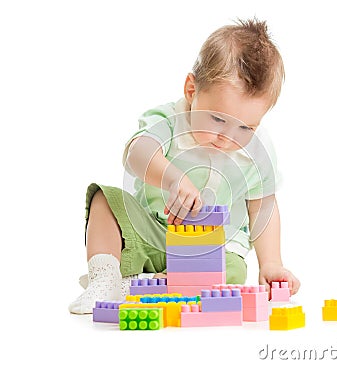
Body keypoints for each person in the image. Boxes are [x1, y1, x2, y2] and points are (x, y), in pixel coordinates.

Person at [69, 18, 300, 314]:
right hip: (155, 232)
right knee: (105, 199)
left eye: (246, 128)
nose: (227, 139)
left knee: (232, 271)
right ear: (191, 90)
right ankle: (105, 279)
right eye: (217, 120)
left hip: (214, 246)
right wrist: (172, 178)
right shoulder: (169, 120)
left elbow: (262, 207)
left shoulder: (257, 152)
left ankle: (159, 285)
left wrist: (271, 263)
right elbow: (137, 153)